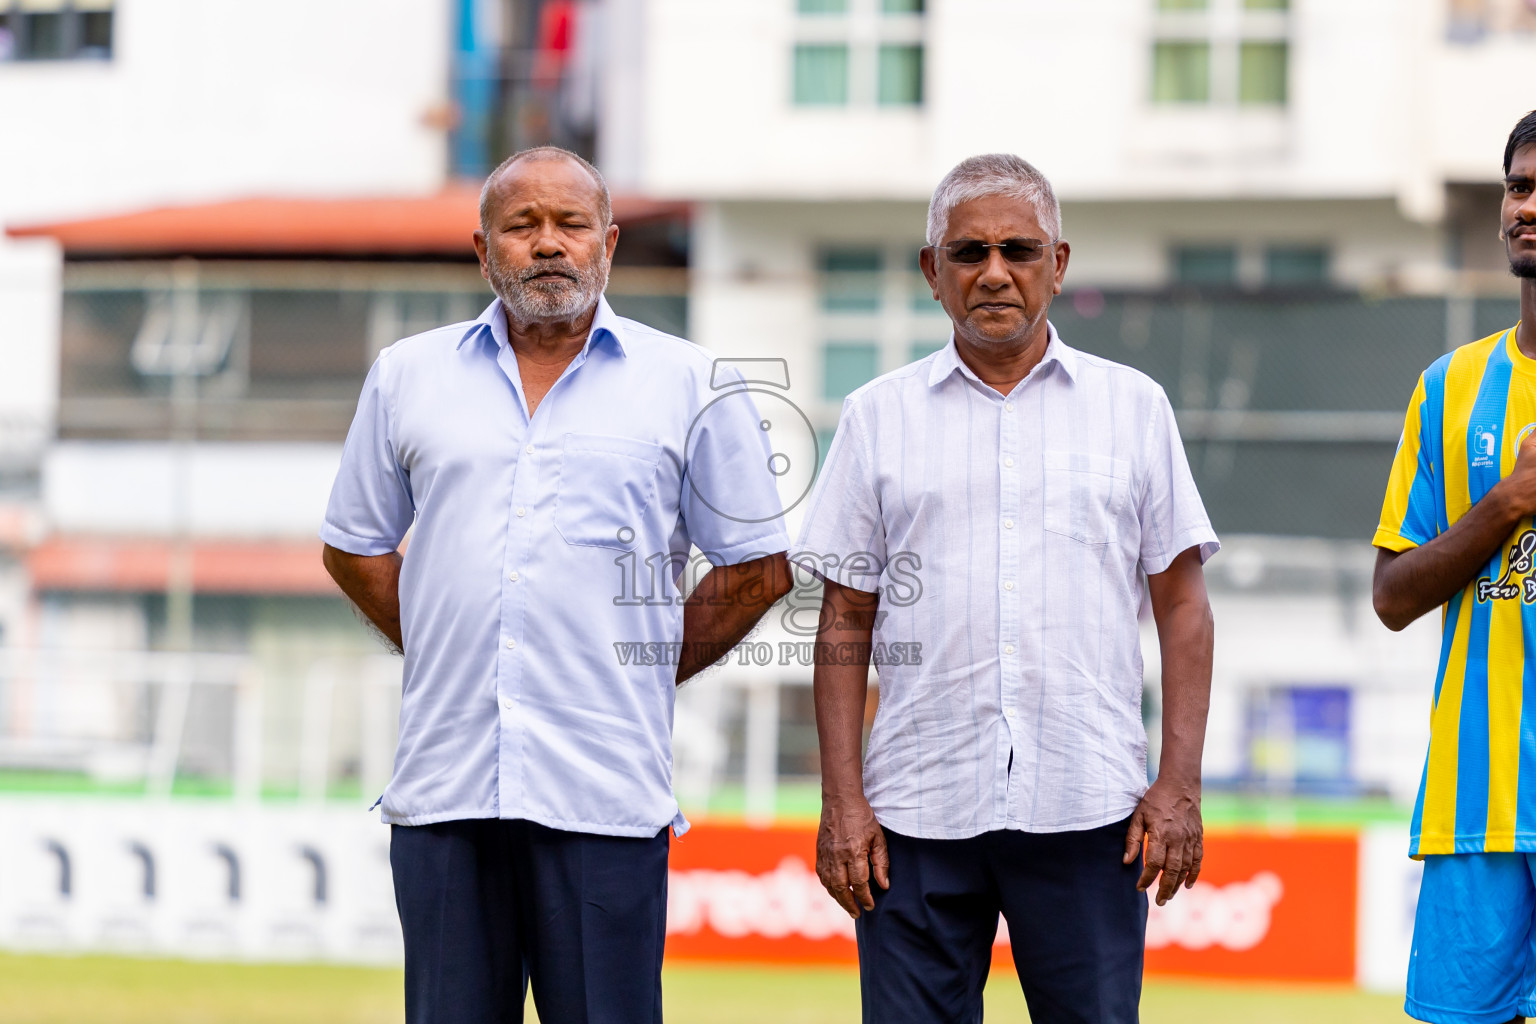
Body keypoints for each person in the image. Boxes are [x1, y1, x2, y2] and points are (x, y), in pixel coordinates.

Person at [320, 145, 792, 1024]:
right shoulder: (406, 375)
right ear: (482, 247)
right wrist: (440, 644)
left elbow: (759, 567)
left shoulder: (688, 381)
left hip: (605, 796)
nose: (547, 244)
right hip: (447, 791)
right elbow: (353, 546)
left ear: (607, 243)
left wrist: (644, 666)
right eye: (522, 224)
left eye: (570, 224)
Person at [796, 153, 1219, 1024]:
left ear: (1057, 265)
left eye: (1019, 249)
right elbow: (843, 618)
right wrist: (842, 803)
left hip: (1090, 809)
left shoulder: (1133, 406)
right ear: (932, 272)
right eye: (968, 252)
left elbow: (1183, 608)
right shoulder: (878, 416)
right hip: (911, 817)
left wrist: (1178, 784)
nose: (994, 272)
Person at [1373, 109, 1536, 1024]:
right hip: (1479, 806)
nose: (1527, 206)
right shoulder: (1449, 389)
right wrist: (1505, 505)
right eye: (1519, 186)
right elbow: (1392, 598)